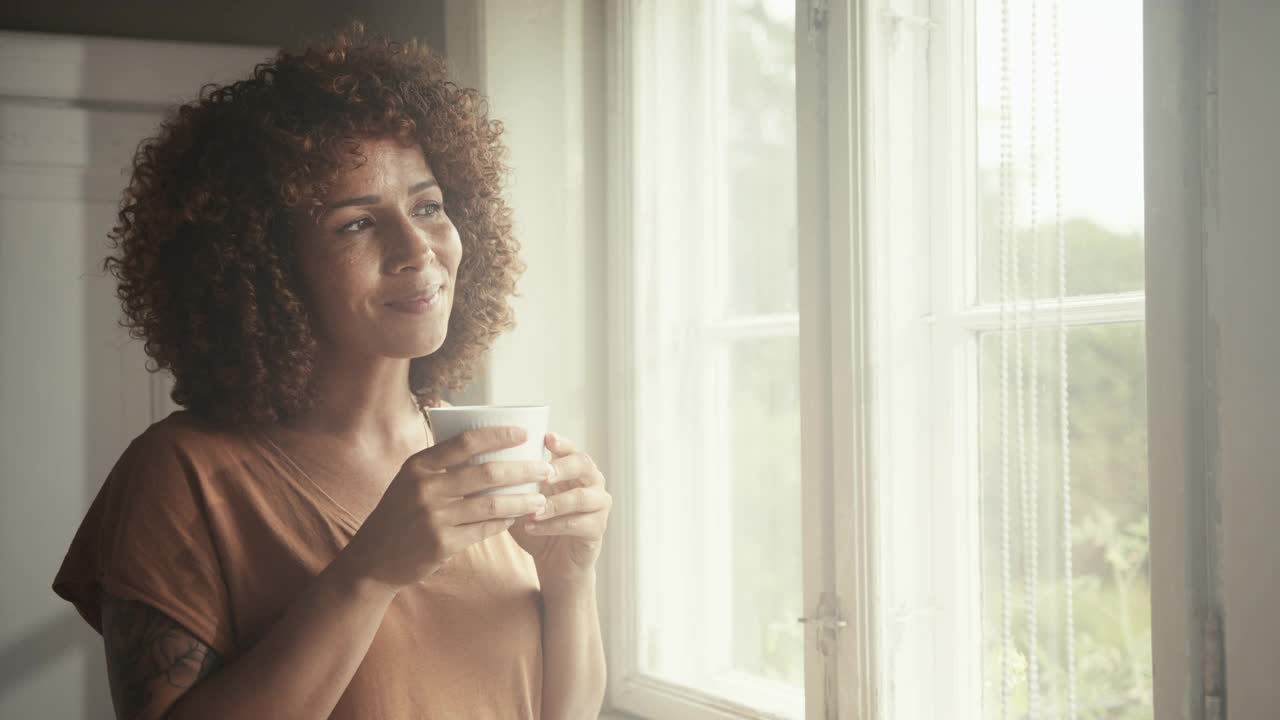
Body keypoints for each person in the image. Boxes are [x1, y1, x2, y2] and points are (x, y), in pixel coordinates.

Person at [52, 22, 610, 720]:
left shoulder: (475, 454)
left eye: (429, 206)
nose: (417, 250)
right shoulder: (181, 475)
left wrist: (570, 578)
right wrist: (368, 572)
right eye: (355, 223)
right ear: (267, 266)